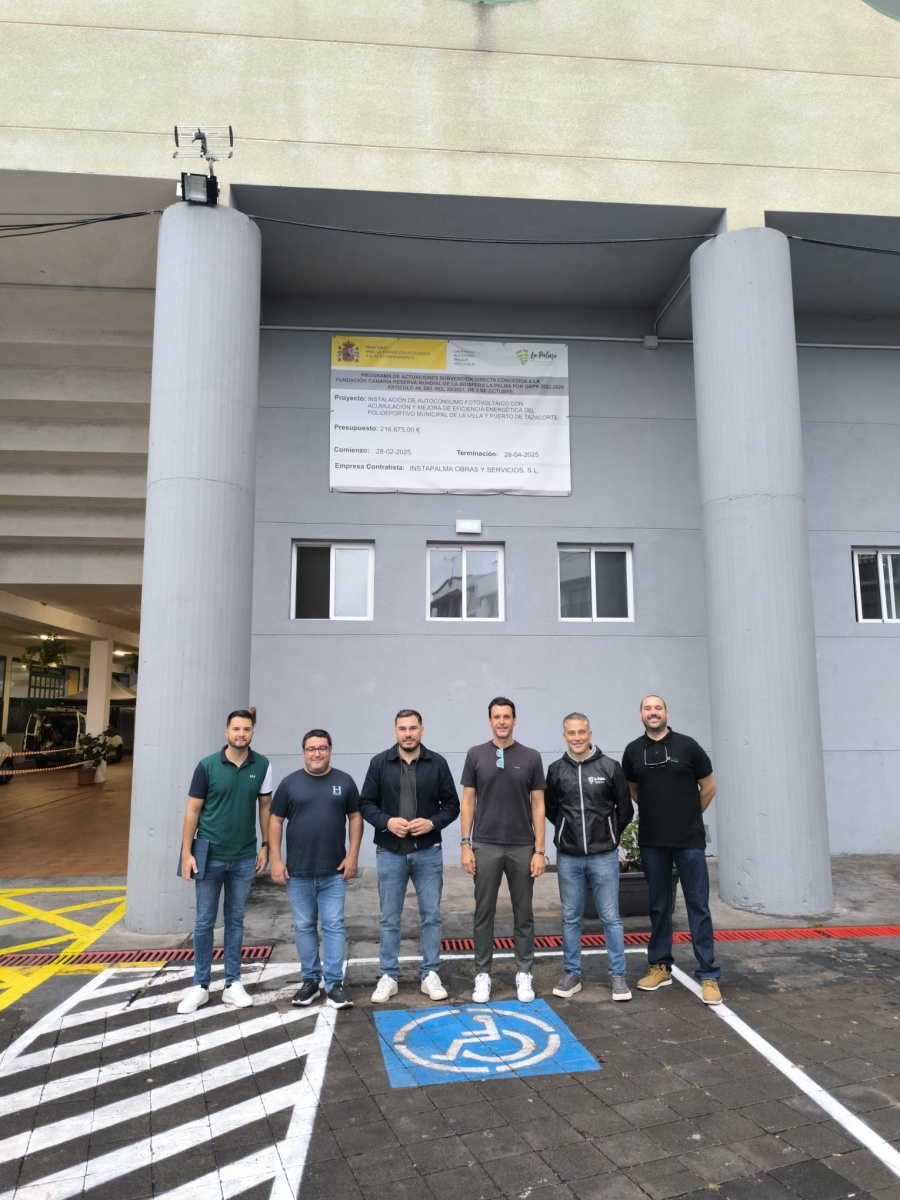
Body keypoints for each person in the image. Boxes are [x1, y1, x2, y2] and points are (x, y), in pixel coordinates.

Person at [621, 695, 722, 1005]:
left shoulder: (688, 746)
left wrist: (689, 816)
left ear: (666, 712)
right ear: (640, 714)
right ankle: (660, 966)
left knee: (698, 906)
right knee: (659, 905)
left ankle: (708, 974)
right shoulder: (633, 751)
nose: (653, 713)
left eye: (658, 708)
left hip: (689, 842)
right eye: (647, 708)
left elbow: (709, 787)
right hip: (653, 842)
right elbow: (633, 790)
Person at [359, 709, 460, 1002]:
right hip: (390, 851)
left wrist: (432, 823)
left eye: (413, 728)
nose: (407, 734)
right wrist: (387, 821)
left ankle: (430, 974)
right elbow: (365, 803)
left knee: (431, 916)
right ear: (395, 732)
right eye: (402, 729)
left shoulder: (437, 763)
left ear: (421, 730)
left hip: (428, 852)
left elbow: (451, 805)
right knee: (390, 918)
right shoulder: (379, 763)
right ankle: (389, 975)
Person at [177, 709, 272, 1014]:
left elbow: (266, 808)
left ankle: (233, 983)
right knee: (204, 922)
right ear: (226, 732)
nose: (241, 734)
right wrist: (186, 853)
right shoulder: (206, 766)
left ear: (252, 732)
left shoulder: (263, 765)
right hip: (210, 855)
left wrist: (266, 847)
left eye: (246, 729)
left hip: (244, 856)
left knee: (235, 921)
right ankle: (200, 986)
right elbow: (192, 811)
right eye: (236, 729)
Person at [460, 696, 546, 1004]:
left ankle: (523, 972)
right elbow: (468, 801)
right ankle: (482, 974)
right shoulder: (475, 754)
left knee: (524, 913)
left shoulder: (531, 756)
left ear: (514, 720)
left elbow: (538, 805)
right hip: (485, 844)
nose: (501, 721)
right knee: (484, 912)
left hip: (522, 846)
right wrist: (466, 844)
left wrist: (539, 850)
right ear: (490, 721)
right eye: (496, 717)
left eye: (506, 716)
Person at [268, 729, 362, 1010]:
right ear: (303, 752)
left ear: (330, 750)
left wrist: (353, 855)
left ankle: (334, 985)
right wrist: (276, 859)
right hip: (298, 871)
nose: (317, 753)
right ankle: (310, 981)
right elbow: (275, 821)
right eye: (311, 749)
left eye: (322, 748)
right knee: (304, 926)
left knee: (333, 925)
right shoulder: (290, 783)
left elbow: (355, 817)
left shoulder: (344, 781)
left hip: (334, 871)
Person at [545, 712, 634, 1002]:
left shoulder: (610, 767)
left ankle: (618, 975)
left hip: (603, 856)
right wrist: (566, 833)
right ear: (564, 736)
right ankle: (572, 974)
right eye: (571, 733)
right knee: (571, 918)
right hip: (569, 857)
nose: (577, 738)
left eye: (581, 732)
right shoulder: (556, 770)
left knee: (610, 917)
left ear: (590, 734)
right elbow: (552, 809)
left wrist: (609, 836)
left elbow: (625, 809)